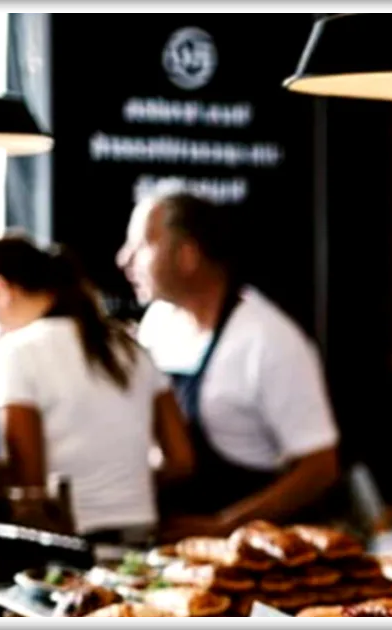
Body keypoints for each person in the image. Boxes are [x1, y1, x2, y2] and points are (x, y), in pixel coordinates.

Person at [116, 192, 340, 541]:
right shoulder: (158, 322)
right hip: (172, 548)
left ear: (187, 255)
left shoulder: (268, 340)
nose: (124, 259)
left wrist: (227, 525)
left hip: (255, 556)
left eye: (142, 245)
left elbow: (320, 468)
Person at [0, 235, 195, 543]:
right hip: (141, 534)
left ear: (2, 289)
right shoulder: (130, 347)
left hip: (68, 542)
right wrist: (123, 488)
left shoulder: (18, 352)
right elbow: (182, 460)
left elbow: (29, 484)